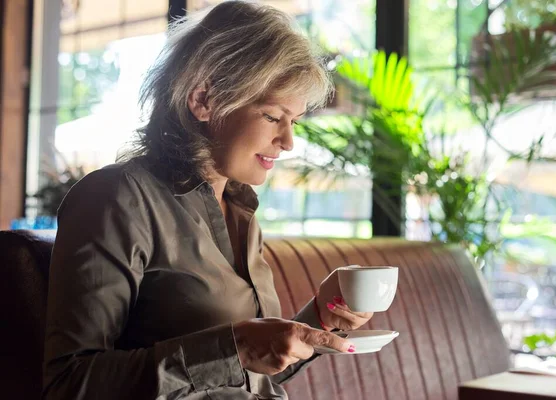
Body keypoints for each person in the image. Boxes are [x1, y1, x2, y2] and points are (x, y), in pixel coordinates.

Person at [42, 1, 373, 399]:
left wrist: (316, 319)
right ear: (204, 100)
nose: (288, 142)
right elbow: (69, 384)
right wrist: (236, 348)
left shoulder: (239, 208)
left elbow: (248, 375)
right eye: (272, 116)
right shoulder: (116, 198)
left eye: (295, 121)